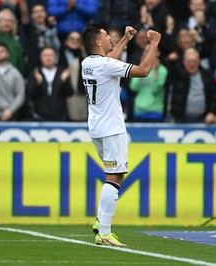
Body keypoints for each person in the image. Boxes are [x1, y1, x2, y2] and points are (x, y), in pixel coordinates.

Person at [81, 23, 161, 246]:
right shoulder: (105, 65)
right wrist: (153, 43)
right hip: (111, 128)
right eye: (106, 36)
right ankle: (104, 232)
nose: (110, 38)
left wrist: (125, 39)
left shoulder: (87, 63)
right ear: (98, 42)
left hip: (97, 127)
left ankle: (101, 222)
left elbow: (110, 61)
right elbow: (143, 71)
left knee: (115, 174)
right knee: (115, 176)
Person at [169, 48, 216, 123]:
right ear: (184, 62)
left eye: (194, 61)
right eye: (189, 61)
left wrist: (212, 112)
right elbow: (172, 71)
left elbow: (214, 96)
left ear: (199, 62)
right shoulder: (178, 76)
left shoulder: (207, 75)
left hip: (203, 119)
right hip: (180, 120)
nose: (192, 64)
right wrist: (172, 62)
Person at [27, 46, 73, 121]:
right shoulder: (36, 72)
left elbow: (70, 93)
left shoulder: (62, 72)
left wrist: (63, 81)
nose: (48, 58)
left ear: (55, 57)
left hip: (60, 116)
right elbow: (31, 94)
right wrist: (38, 83)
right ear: (40, 57)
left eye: (51, 55)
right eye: (45, 55)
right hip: (40, 116)